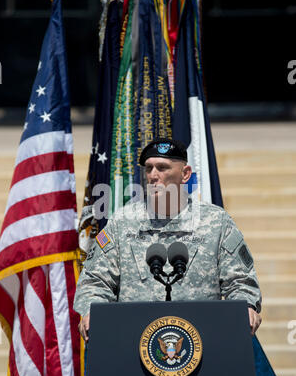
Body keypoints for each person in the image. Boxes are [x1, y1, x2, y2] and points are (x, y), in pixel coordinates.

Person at [74, 139, 262, 341]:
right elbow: (95, 281)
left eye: (162, 168)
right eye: (149, 168)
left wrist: (246, 306)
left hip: (204, 342)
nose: (153, 175)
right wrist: (92, 311)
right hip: (132, 342)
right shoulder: (122, 222)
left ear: (185, 174)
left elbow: (241, 281)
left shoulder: (216, 222)